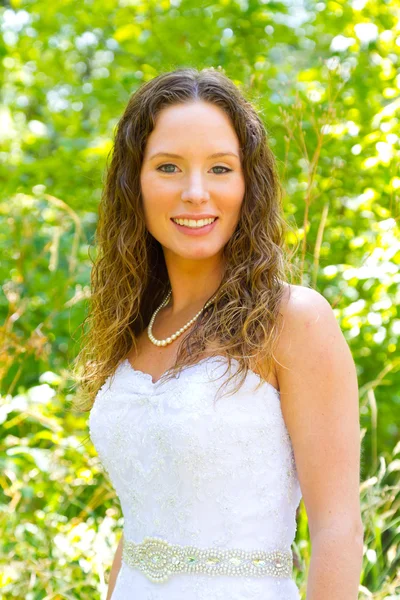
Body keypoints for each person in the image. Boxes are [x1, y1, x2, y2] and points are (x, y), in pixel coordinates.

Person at [75, 67, 364, 599]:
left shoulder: (292, 320)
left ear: (247, 182)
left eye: (219, 168)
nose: (194, 192)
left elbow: (338, 531)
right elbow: (140, 529)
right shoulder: (135, 327)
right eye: (168, 167)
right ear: (133, 183)